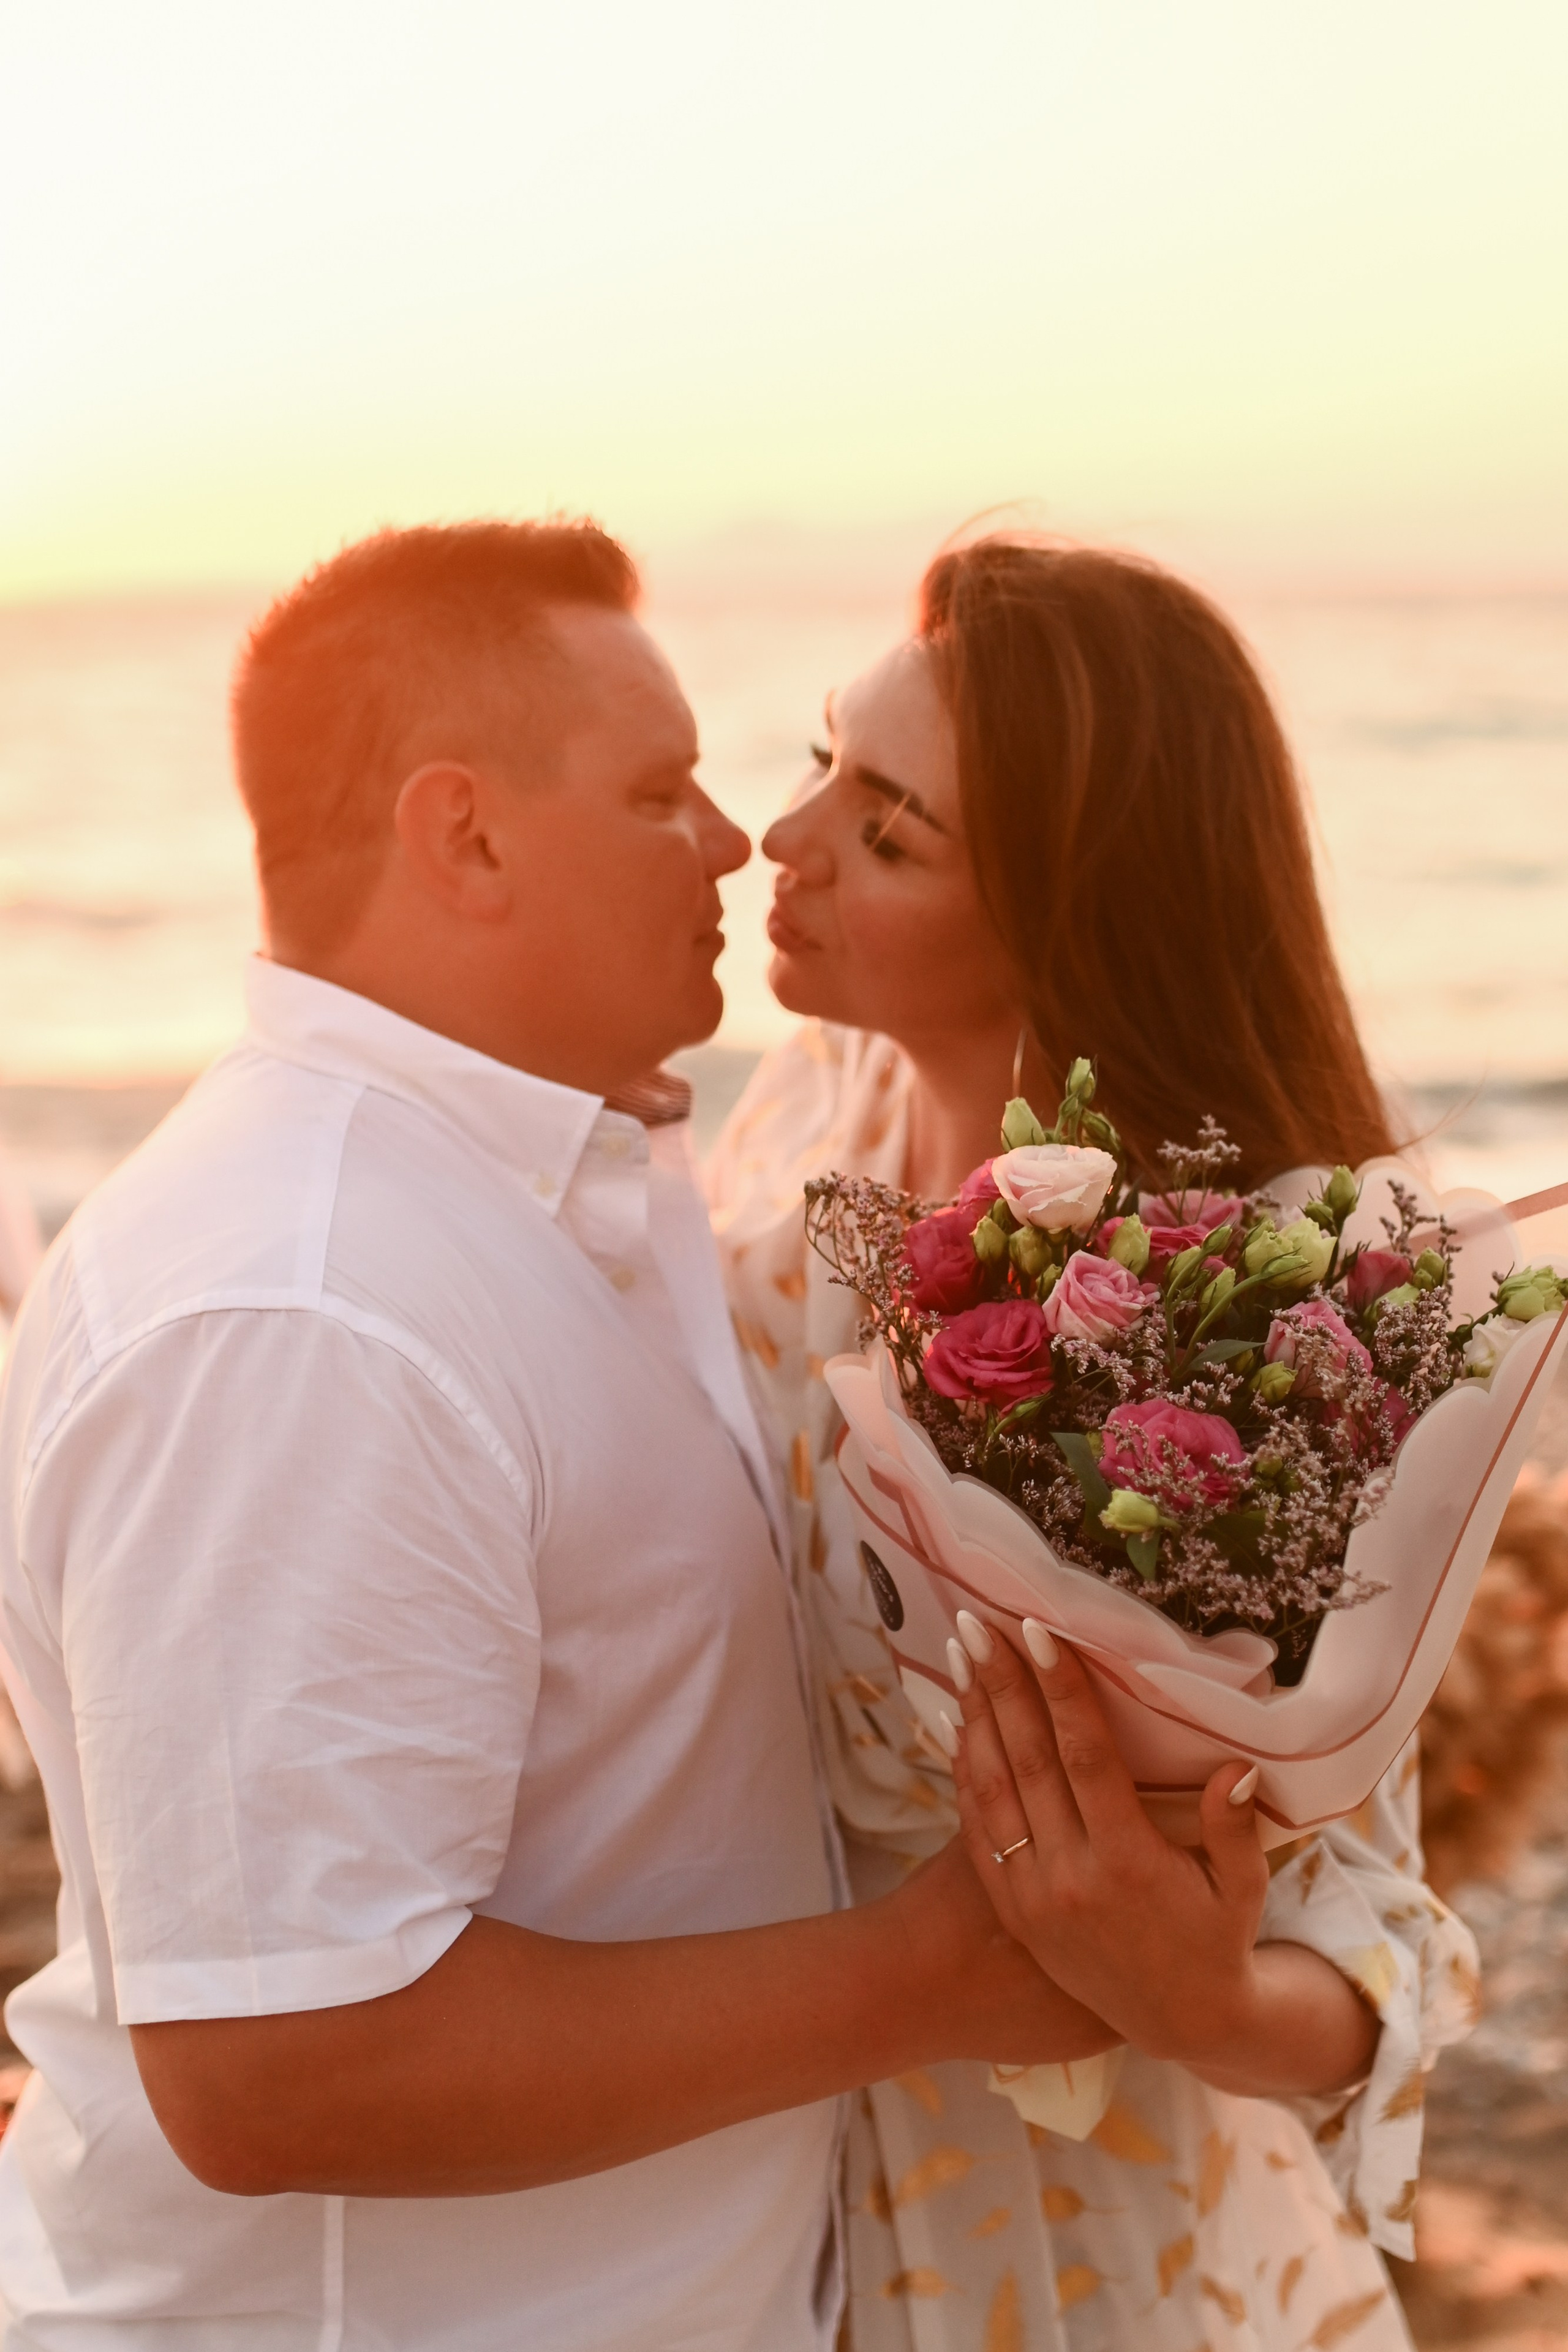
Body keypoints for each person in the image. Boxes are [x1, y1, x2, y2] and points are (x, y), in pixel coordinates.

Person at [0, 521, 1114, 2352]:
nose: (738, 841)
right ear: (468, 835)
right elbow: (286, 2063)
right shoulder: (303, 1309)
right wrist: (932, 1976)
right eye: (660, 789)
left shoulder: (571, 1180)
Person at [708, 537, 1481, 2352]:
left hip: (1073, 2232)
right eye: (825, 754)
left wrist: (1195, 1994)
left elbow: (1392, 1935)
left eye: (890, 832)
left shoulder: (1266, 1287)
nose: (785, 839)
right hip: (747, 2126)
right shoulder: (823, 1099)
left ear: (1075, 916)